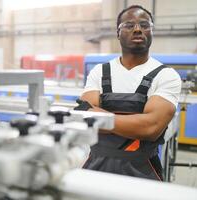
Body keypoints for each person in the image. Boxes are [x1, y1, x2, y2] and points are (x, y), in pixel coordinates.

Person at [76, 5, 181, 181]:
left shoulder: (167, 75)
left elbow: (151, 128)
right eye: (129, 25)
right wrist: (135, 121)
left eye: (145, 25)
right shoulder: (100, 71)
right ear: (118, 33)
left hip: (142, 172)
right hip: (95, 168)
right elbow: (85, 119)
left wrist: (99, 115)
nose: (138, 29)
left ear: (152, 32)